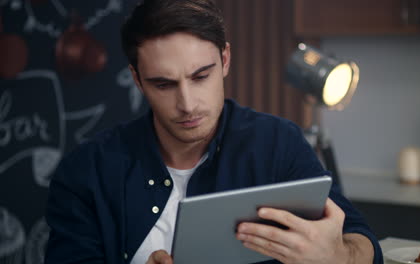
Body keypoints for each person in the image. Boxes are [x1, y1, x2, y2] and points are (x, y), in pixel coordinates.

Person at [45, 0, 383, 263]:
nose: (187, 104)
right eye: (164, 84)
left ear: (224, 60)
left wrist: (339, 257)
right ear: (137, 79)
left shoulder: (277, 144)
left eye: (200, 76)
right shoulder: (86, 171)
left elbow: (361, 239)